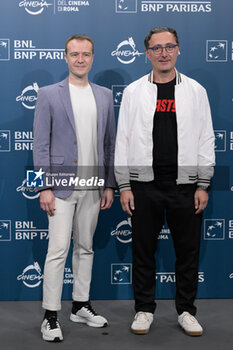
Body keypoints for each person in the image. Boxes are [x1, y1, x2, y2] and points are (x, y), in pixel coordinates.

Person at [114, 27, 215, 336]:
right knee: (142, 251)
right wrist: (125, 185)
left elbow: (205, 137)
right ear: (147, 54)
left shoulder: (196, 91)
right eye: (156, 48)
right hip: (144, 186)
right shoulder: (134, 91)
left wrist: (202, 184)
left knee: (188, 252)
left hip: (185, 186)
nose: (163, 52)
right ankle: (144, 309)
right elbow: (123, 139)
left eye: (169, 46)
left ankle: (186, 310)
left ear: (178, 50)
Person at [33, 34, 116, 342]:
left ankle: (80, 305)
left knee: (86, 248)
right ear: (65, 57)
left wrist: (109, 184)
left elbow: (109, 143)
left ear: (93, 57)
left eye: (86, 54)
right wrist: (43, 187)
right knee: (57, 250)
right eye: (75, 54)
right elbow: (40, 145)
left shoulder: (105, 96)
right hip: (60, 187)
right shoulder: (48, 95)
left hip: (94, 187)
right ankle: (50, 316)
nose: (80, 59)